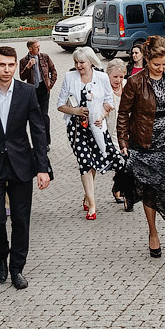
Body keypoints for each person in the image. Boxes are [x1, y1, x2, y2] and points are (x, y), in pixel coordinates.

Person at [0, 44, 53, 288]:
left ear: (16, 66)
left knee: (22, 220)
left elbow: (38, 131)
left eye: (11, 65)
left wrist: (42, 168)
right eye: (2, 65)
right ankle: (1, 253)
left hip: (21, 164)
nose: (6, 69)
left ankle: (17, 268)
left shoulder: (26, 92)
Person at [115, 35, 165, 262]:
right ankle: (153, 232)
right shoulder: (135, 82)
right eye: (156, 64)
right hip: (144, 141)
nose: (161, 68)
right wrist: (123, 142)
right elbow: (123, 113)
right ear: (147, 60)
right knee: (149, 188)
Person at [55, 47, 119, 219]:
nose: (78, 66)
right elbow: (60, 105)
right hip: (77, 129)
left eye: (81, 62)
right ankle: (92, 204)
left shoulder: (102, 77)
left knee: (94, 162)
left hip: (96, 127)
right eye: (75, 62)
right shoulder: (70, 78)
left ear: (90, 62)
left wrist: (103, 115)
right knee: (84, 162)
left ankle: (86, 195)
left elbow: (109, 102)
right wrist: (75, 111)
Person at [104, 58, 131, 204]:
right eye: (115, 77)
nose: (118, 80)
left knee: (127, 163)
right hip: (110, 133)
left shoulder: (127, 86)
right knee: (122, 162)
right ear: (108, 75)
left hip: (126, 132)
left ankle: (119, 188)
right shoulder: (103, 89)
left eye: (121, 76)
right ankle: (120, 190)